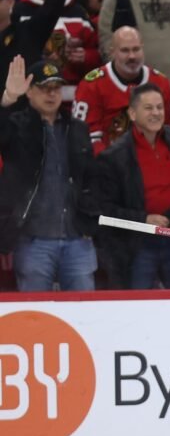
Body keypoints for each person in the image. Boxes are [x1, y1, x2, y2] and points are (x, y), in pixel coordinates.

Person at [0, 56, 98, 291]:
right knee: (35, 310)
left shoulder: (78, 129)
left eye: (56, 88)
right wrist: (7, 99)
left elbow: (91, 178)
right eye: (44, 88)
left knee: (85, 309)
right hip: (32, 241)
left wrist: (90, 220)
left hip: (78, 239)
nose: (51, 94)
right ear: (29, 91)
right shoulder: (16, 126)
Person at [91, 82, 170, 289]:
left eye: (159, 107)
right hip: (138, 244)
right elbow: (105, 210)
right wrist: (144, 219)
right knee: (136, 303)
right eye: (148, 108)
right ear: (132, 113)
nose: (156, 113)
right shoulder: (114, 157)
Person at [14, 0, 100, 105]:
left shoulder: (78, 12)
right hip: (30, 98)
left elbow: (98, 54)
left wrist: (85, 57)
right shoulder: (19, 11)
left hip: (74, 98)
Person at [73, 25, 170, 154]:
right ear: (112, 52)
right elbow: (86, 137)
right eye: (125, 50)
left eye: (136, 49)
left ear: (143, 48)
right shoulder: (92, 85)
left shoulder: (161, 82)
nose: (132, 56)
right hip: (108, 160)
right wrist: (110, 162)